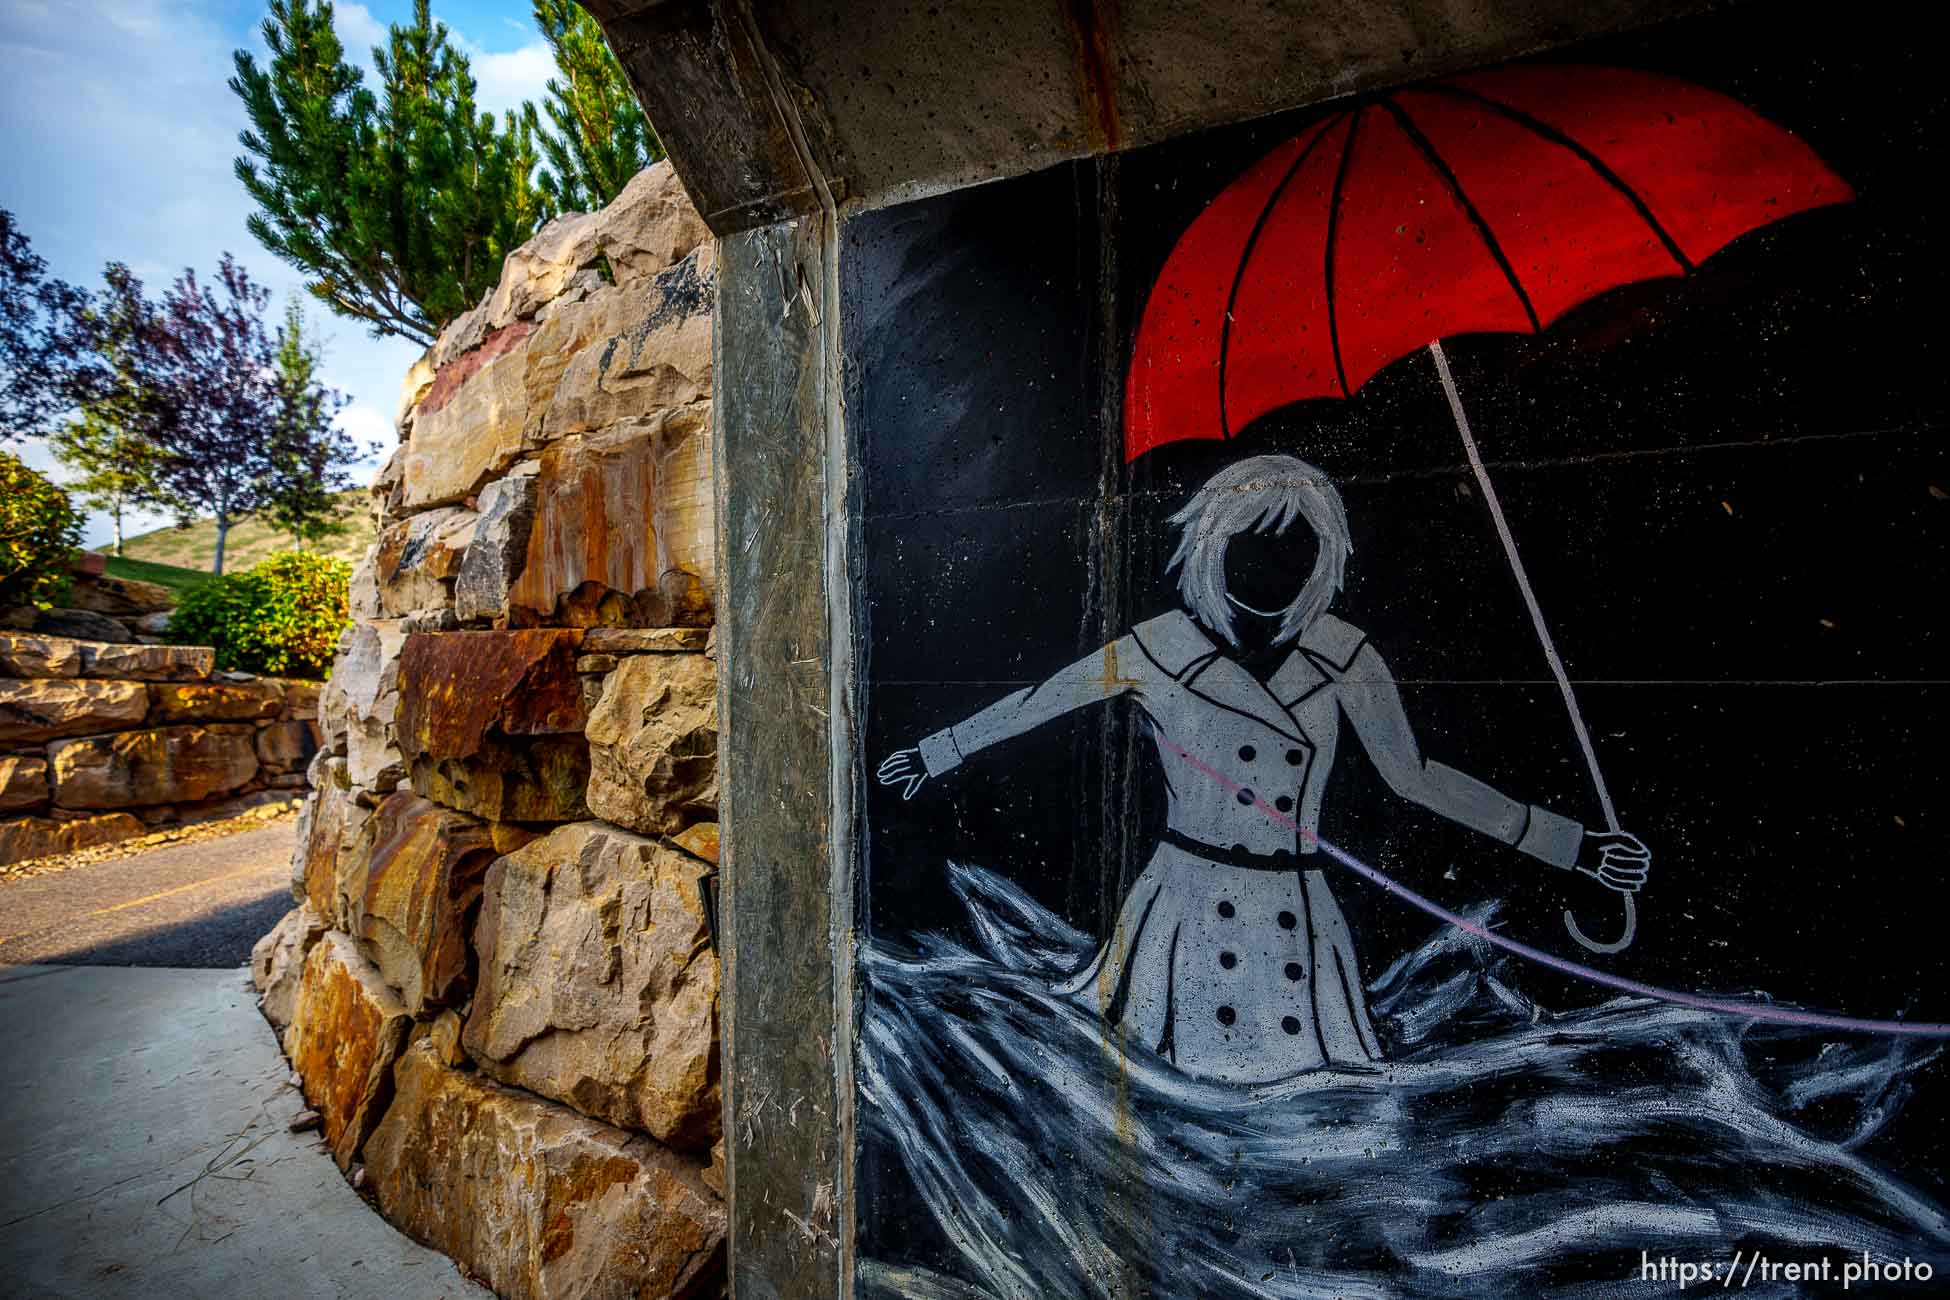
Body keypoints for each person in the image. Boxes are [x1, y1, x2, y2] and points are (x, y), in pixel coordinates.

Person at [876, 454, 1650, 1083]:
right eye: (1256, 542)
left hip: (1296, 921)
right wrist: (936, 753)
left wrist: (1571, 845)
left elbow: (1417, 776)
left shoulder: (1346, 655)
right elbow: (1042, 702)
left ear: (1323, 557)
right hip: (1183, 913)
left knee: (1315, 1104)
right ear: (1214, 546)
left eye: (1297, 546)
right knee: (1163, 1097)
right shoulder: (1158, 648)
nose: (1276, 565)